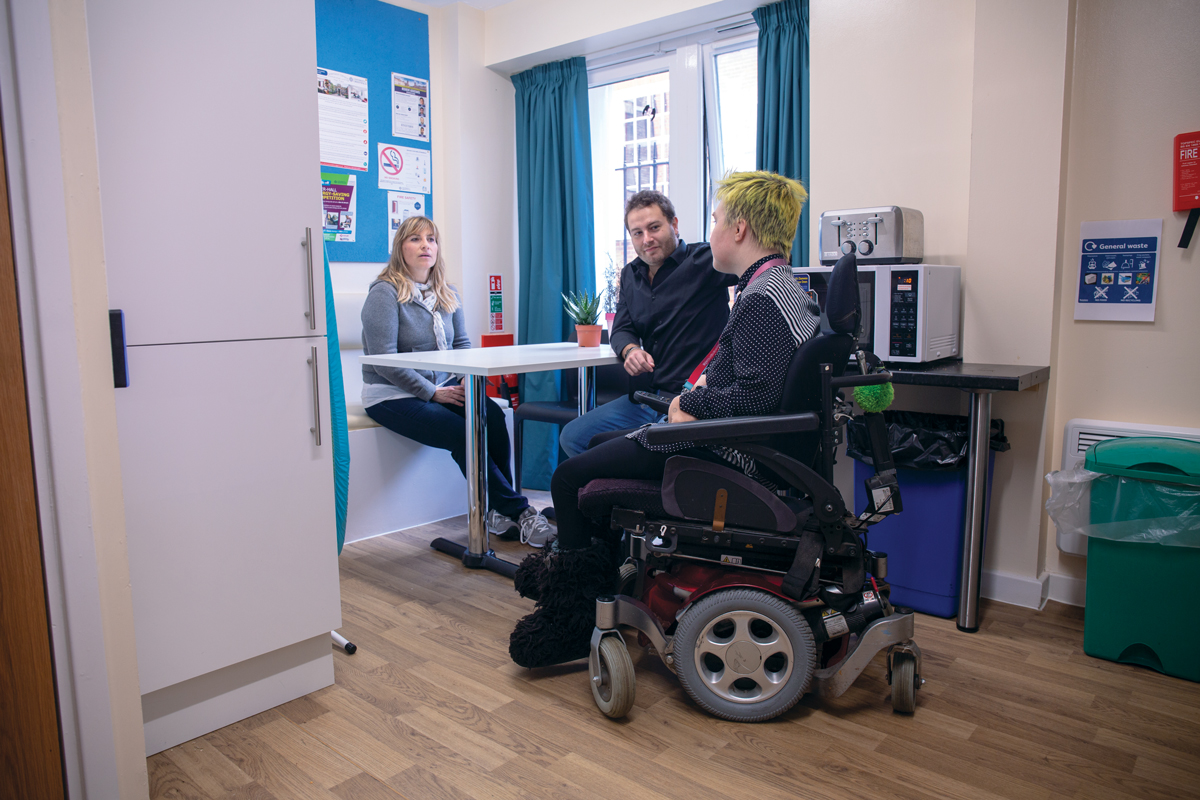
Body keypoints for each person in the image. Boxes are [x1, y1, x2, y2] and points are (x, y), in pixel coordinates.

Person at [509, 172, 819, 668]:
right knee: (593, 443)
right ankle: (601, 577)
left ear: (739, 230)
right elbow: (761, 388)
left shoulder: (760, 299)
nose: (711, 229)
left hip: (715, 446)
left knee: (567, 479)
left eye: (716, 219)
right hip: (713, 434)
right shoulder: (782, 287)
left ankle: (568, 614)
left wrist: (693, 406)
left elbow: (758, 395)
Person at [361, 216, 553, 547]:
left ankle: (497, 512)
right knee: (463, 433)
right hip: (390, 396)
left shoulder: (447, 292)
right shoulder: (385, 293)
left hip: (440, 389)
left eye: (431, 239)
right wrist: (432, 393)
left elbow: (462, 346)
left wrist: (466, 381)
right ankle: (520, 511)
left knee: (491, 414)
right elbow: (384, 361)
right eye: (415, 239)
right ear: (400, 248)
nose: (425, 246)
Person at [557, 190, 738, 458]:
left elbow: (754, 265)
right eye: (637, 233)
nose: (647, 239)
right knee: (574, 438)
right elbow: (621, 328)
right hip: (644, 399)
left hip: (690, 401)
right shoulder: (630, 274)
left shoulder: (706, 261)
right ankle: (617, 498)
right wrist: (630, 350)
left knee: (634, 456)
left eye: (654, 228)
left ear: (674, 225)